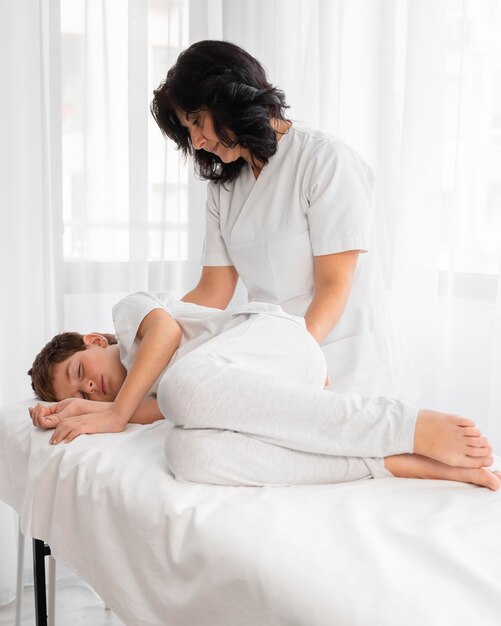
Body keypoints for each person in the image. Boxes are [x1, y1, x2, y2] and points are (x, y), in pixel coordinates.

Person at [150, 39, 417, 399]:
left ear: (228, 98)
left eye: (197, 121)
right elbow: (213, 290)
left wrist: (297, 357)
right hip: (279, 360)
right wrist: (148, 328)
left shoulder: (325, 161)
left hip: (347, 361)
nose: (196, 142)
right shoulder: (224, 187)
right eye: (188, 130)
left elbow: (335, 284)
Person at [28, 292, 499, 491]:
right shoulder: (147, 399)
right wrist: (90, 411)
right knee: (189, 454)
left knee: (179, 389)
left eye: (79, 372)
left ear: (93, 340)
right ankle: (386, 462)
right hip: (267, 388)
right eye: (83, 394)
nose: (91, 387)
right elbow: (164, 411)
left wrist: (114, 414)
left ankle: (404, 424)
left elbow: (166, 335)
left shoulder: (130, 317)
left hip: (275, 338)